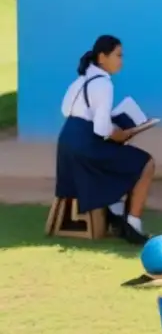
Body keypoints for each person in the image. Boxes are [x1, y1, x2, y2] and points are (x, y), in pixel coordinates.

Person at [55, 35, 155, 245]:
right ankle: (132, 225)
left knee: (119, 157)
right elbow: (102, 129)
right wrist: (125, 133)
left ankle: (116, 214)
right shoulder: (103, 84)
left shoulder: (80, 81)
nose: (121, 61)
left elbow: (66, 111)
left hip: (66, 147)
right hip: (85, 149)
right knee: (145, 162)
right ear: (102, 57)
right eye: (118, 55)